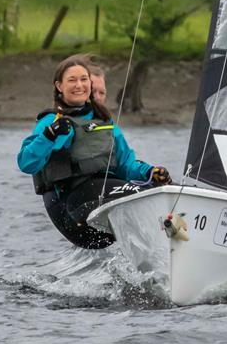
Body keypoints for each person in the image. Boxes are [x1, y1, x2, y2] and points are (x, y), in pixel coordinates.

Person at [17, 53, 171, 249]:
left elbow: (126, 164)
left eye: (83, 79)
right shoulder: (51, 122)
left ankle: (167, 255)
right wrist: (48, 136)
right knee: (139, 195)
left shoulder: (105, 122)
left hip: (103, 197)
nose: (79, 85)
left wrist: (149, 172)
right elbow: (26, 163)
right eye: (72, 80)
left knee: (156, 191)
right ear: (59, 86)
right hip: (74, 210)